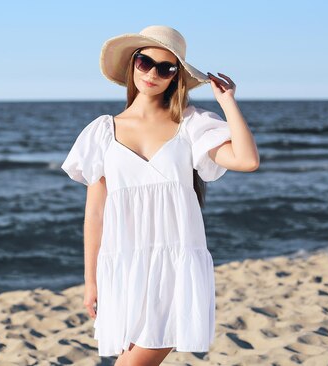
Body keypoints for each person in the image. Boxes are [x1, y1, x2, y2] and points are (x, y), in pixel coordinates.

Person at [61, 25, 260, 365]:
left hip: (176, 264)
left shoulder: (192, 124)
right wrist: (90, 281)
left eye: (165, 68)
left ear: (175, 76)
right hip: (124, 265)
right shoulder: (101, 132)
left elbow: (247, 160)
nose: (153, 73)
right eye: (145, 62)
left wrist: (227, 102)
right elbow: (95, 214)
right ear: (132, 65)